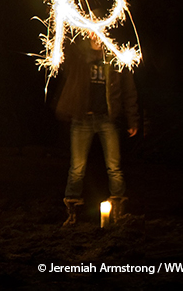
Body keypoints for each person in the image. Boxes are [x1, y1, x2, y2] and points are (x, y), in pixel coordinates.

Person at [56, 34, 138, 226]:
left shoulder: (115, 56)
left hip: (107, 119)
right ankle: (72, 212)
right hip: (82, 119)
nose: (96, 33)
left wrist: (132, 119)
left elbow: (128, 89)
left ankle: (118, 212)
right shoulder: (78, 55)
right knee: (76, 169)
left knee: (114, 167)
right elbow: (65, 62)